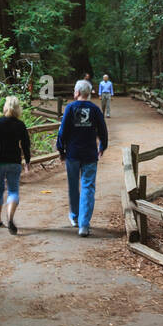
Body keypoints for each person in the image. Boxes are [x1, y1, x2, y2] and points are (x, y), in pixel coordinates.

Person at [56, 79, 108, 238]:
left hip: (72, 154)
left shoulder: (70, 108)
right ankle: (84, 225)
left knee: (73, 187)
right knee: (88, 188)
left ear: (77, 92)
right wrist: (102, 146)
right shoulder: (95, 109)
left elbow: (63, 130)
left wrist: (60, 149)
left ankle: (75, 218)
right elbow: (103, 130)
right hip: (90, 154)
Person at [0, 97, 31, 235]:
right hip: (15, 162)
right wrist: (27, 161)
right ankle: (10, 217)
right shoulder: (20, 125)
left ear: (5, 107)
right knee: (13, 191)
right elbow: (26, 145)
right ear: (17, 108)